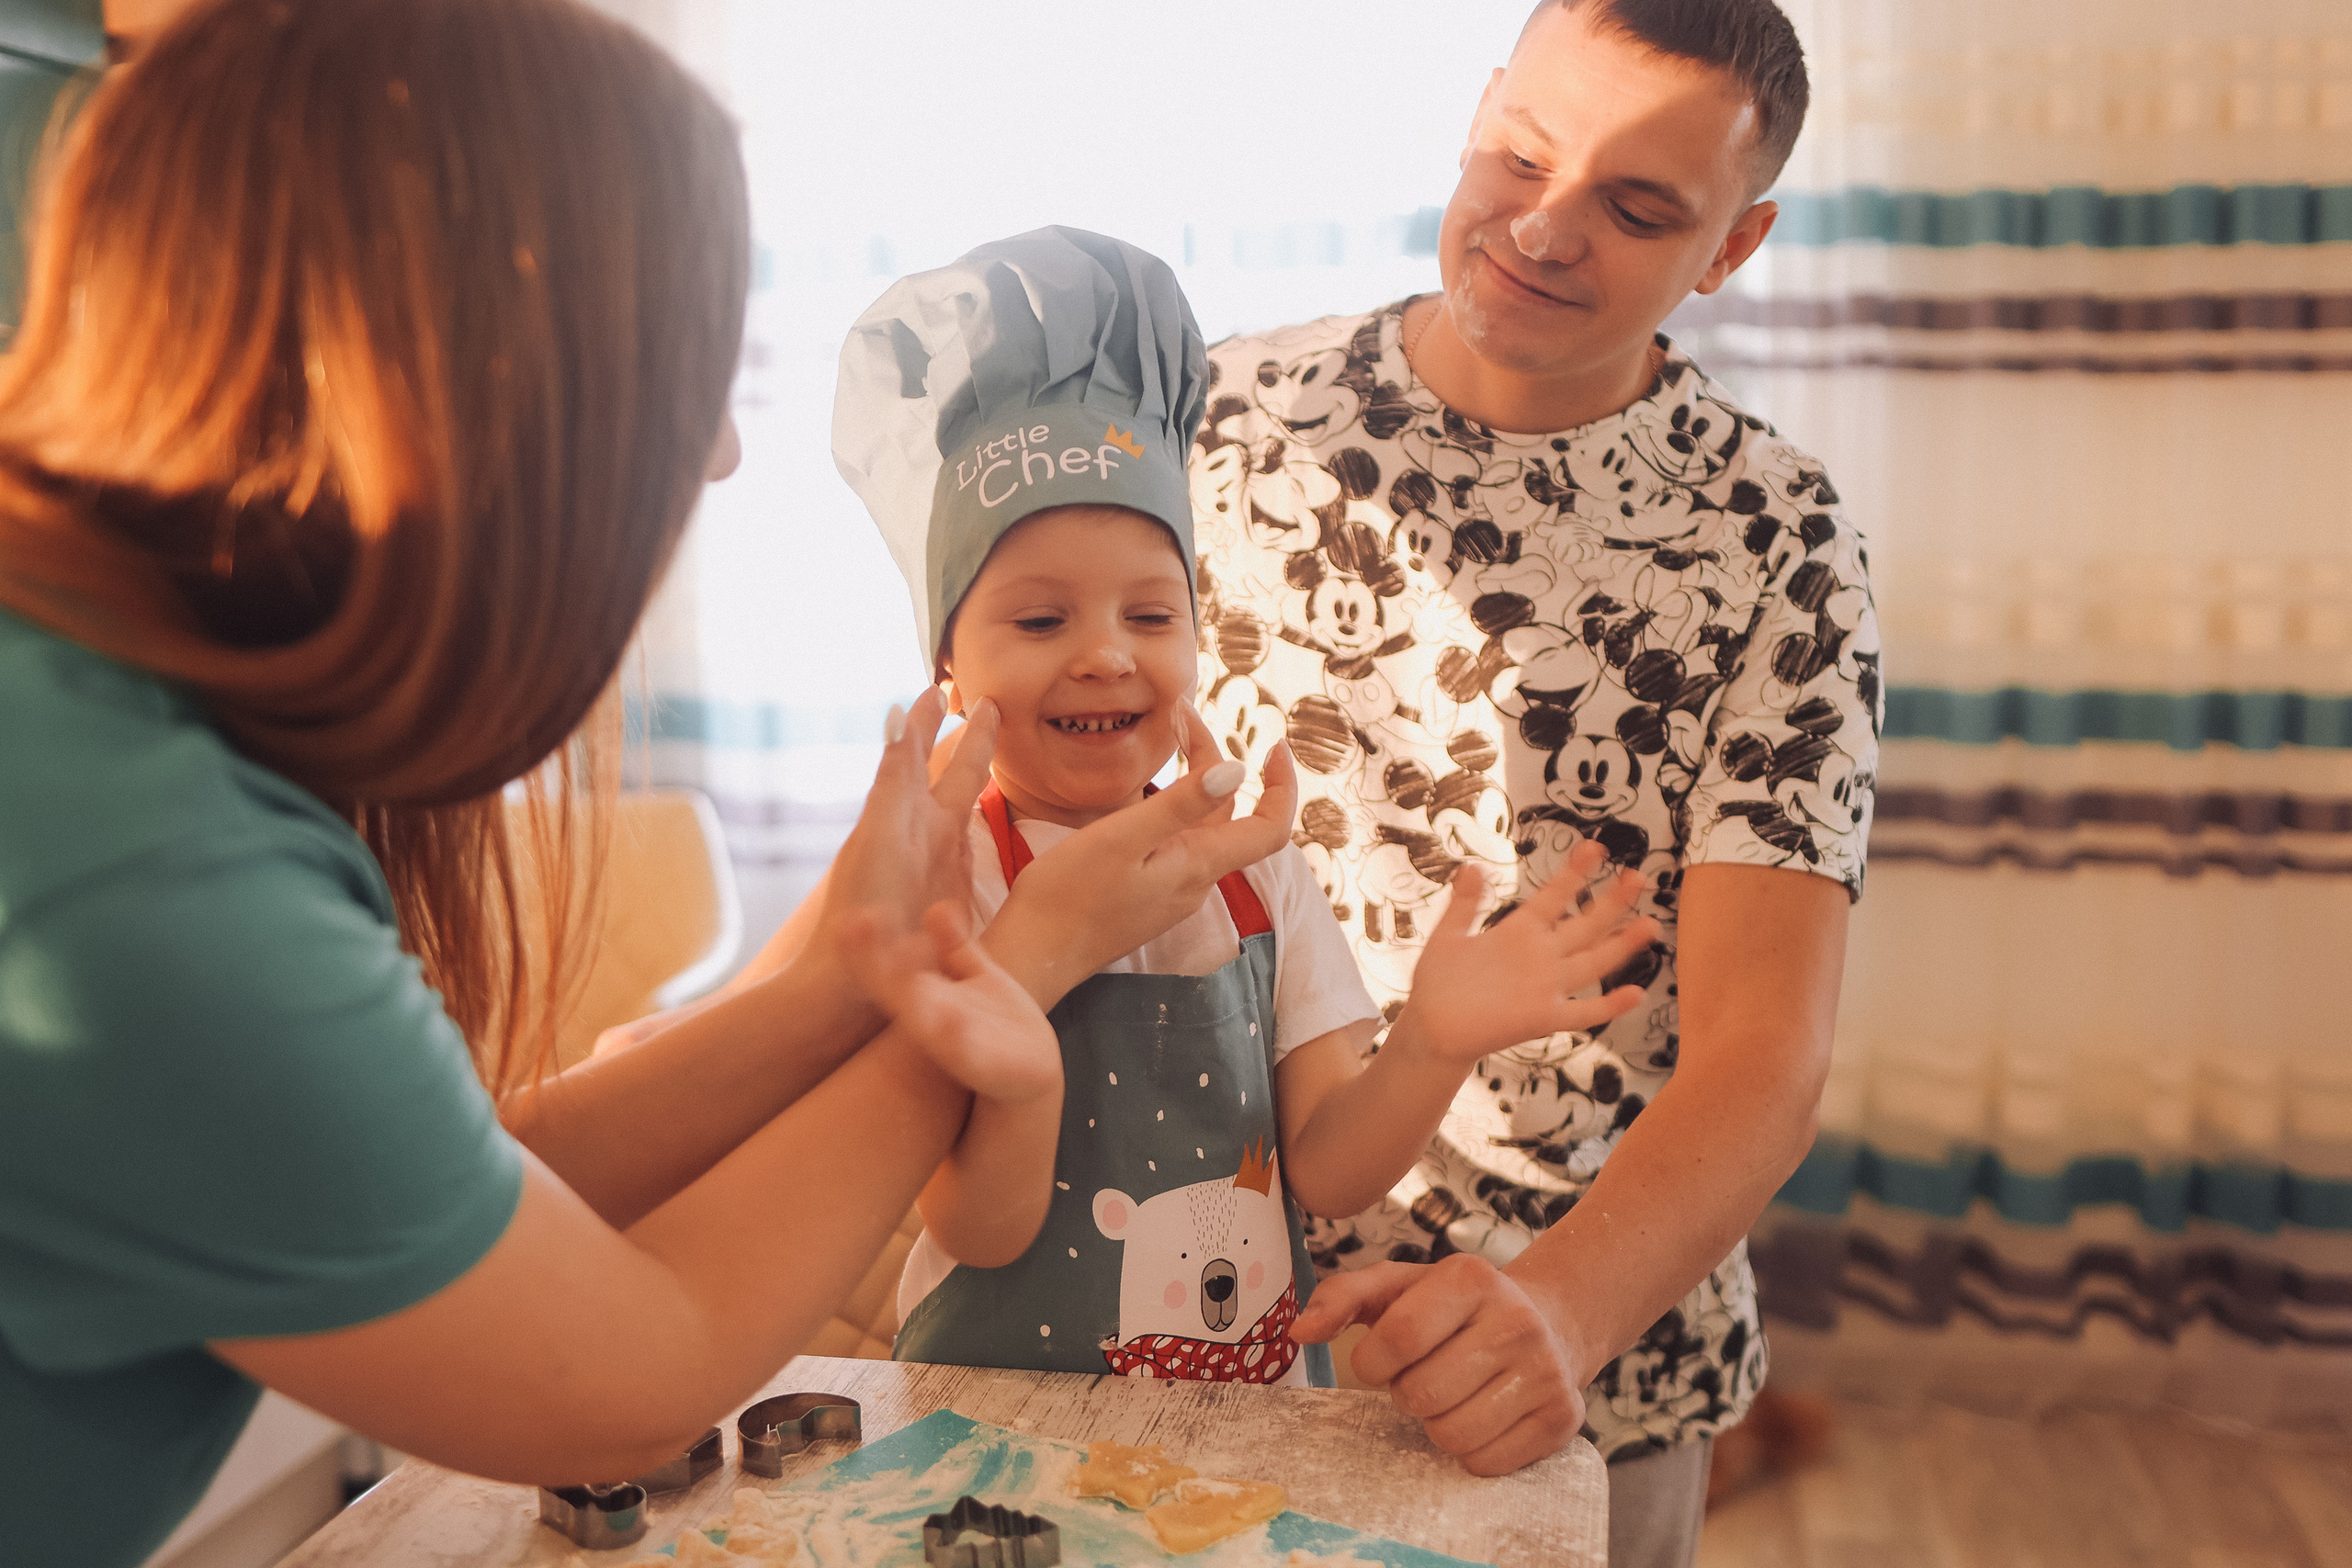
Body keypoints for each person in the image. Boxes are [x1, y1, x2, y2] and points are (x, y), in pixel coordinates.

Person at [0, 5, 1287, 1564]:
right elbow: (626, 1379)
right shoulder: (148, 894)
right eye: (685, 375)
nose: (726, 456)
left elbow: (462, 1176)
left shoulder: (102, 728)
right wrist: (1022, 966)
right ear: (475, 390)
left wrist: (838, 978)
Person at [1189, 0, 1876, 1561]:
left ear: (1733, 245)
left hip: (1587, 1359)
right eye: (1522, 154)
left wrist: (1557, 1316)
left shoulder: (1781, 540)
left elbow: (1767, 1051)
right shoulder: (1223, 425)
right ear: (1481, 110)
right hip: (1204, 1291)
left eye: (1639, 209)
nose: (1546, 230)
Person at [828, 227, 1661, 1387]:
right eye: (1038, 620)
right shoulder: (939, 878)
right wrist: (1027, 1016)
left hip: (1238, 1434)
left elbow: (1323, 1169)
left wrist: (1428, 1040)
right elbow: (978, 1231)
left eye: (1151, 615)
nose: (1106, 656)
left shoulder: (1254, 868)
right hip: (991, 1427)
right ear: (947, 675)